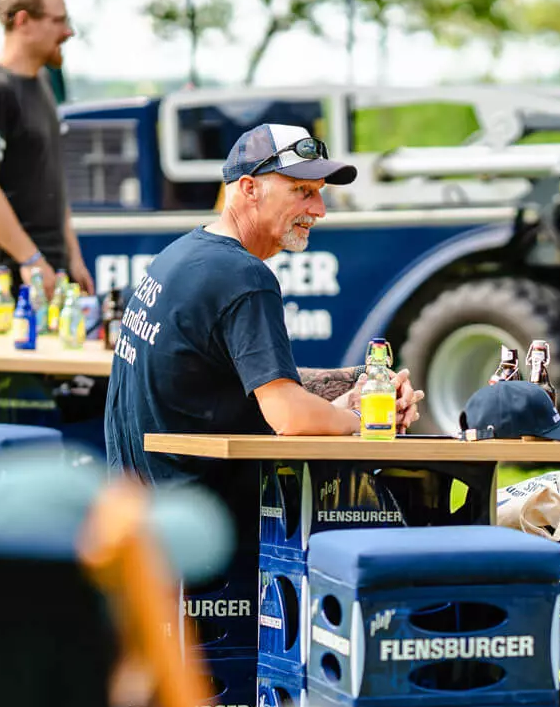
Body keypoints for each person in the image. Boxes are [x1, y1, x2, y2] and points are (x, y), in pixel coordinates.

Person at [103, 122, 423, 501]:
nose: (319, 210)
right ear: (249, 188)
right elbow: (289, 417)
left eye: (319, 194)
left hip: (151, 518)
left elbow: (259, 385)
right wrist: (364, 419)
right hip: (210, 526)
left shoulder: (181, 255)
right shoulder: (244, 276)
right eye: (302, 192)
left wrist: (358, 385)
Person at [0, 0, 102, 431]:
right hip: (6, 270)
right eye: (59, 21)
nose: (69, 32)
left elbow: (50, 182)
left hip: (44, 267)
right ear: (23, 22)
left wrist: (69, 255)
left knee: (30, 399)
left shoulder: (40, 85)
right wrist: (31, 258)